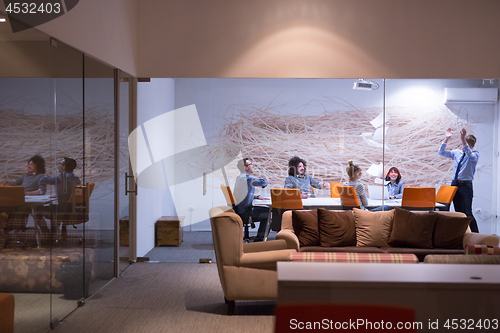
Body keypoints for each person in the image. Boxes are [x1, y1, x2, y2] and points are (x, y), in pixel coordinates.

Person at [438, 127, 479, 232]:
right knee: (458, 212)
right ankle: (461, 234)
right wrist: (446, 138)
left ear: (472, 146)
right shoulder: (456, 153)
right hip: (455, 184)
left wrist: (462, 139)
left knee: (467, 212)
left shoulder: (474, 155)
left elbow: (469, 153)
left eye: (468, 145)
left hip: (466, 186)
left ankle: (476, 235)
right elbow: (441, 152)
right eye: (464, 144)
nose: (465, 148)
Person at [233, 158, 269, 242]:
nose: (253, 166)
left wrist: (256, 197)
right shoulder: (247, 178)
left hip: (240, 210)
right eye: (251, 164)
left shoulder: (240, 178)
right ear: (245, 167)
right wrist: (266, 179)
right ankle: (260, 239)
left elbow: (242, 194)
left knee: (266, 211)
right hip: (245, 212)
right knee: (268, 212)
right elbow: (263, 182)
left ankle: (259, 237)